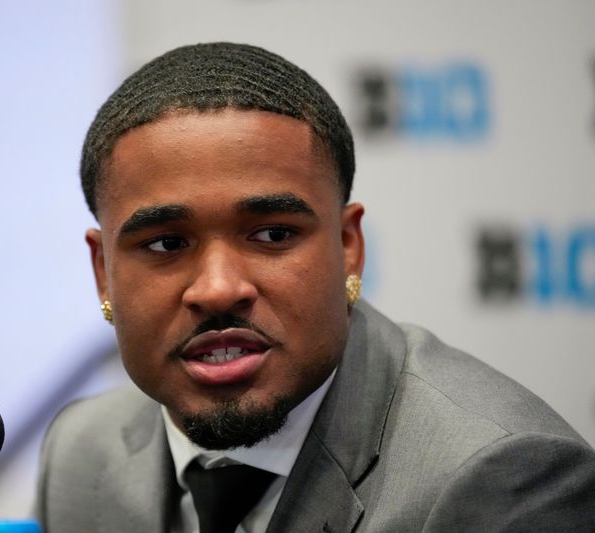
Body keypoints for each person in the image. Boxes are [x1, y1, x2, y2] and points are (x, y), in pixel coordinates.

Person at [35, 42, 595, 532]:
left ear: (349, 246)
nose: (218, 288)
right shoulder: (81, 453)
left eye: (273, 234)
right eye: (165, 244)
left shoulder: (500, 479)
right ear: (103, 271)